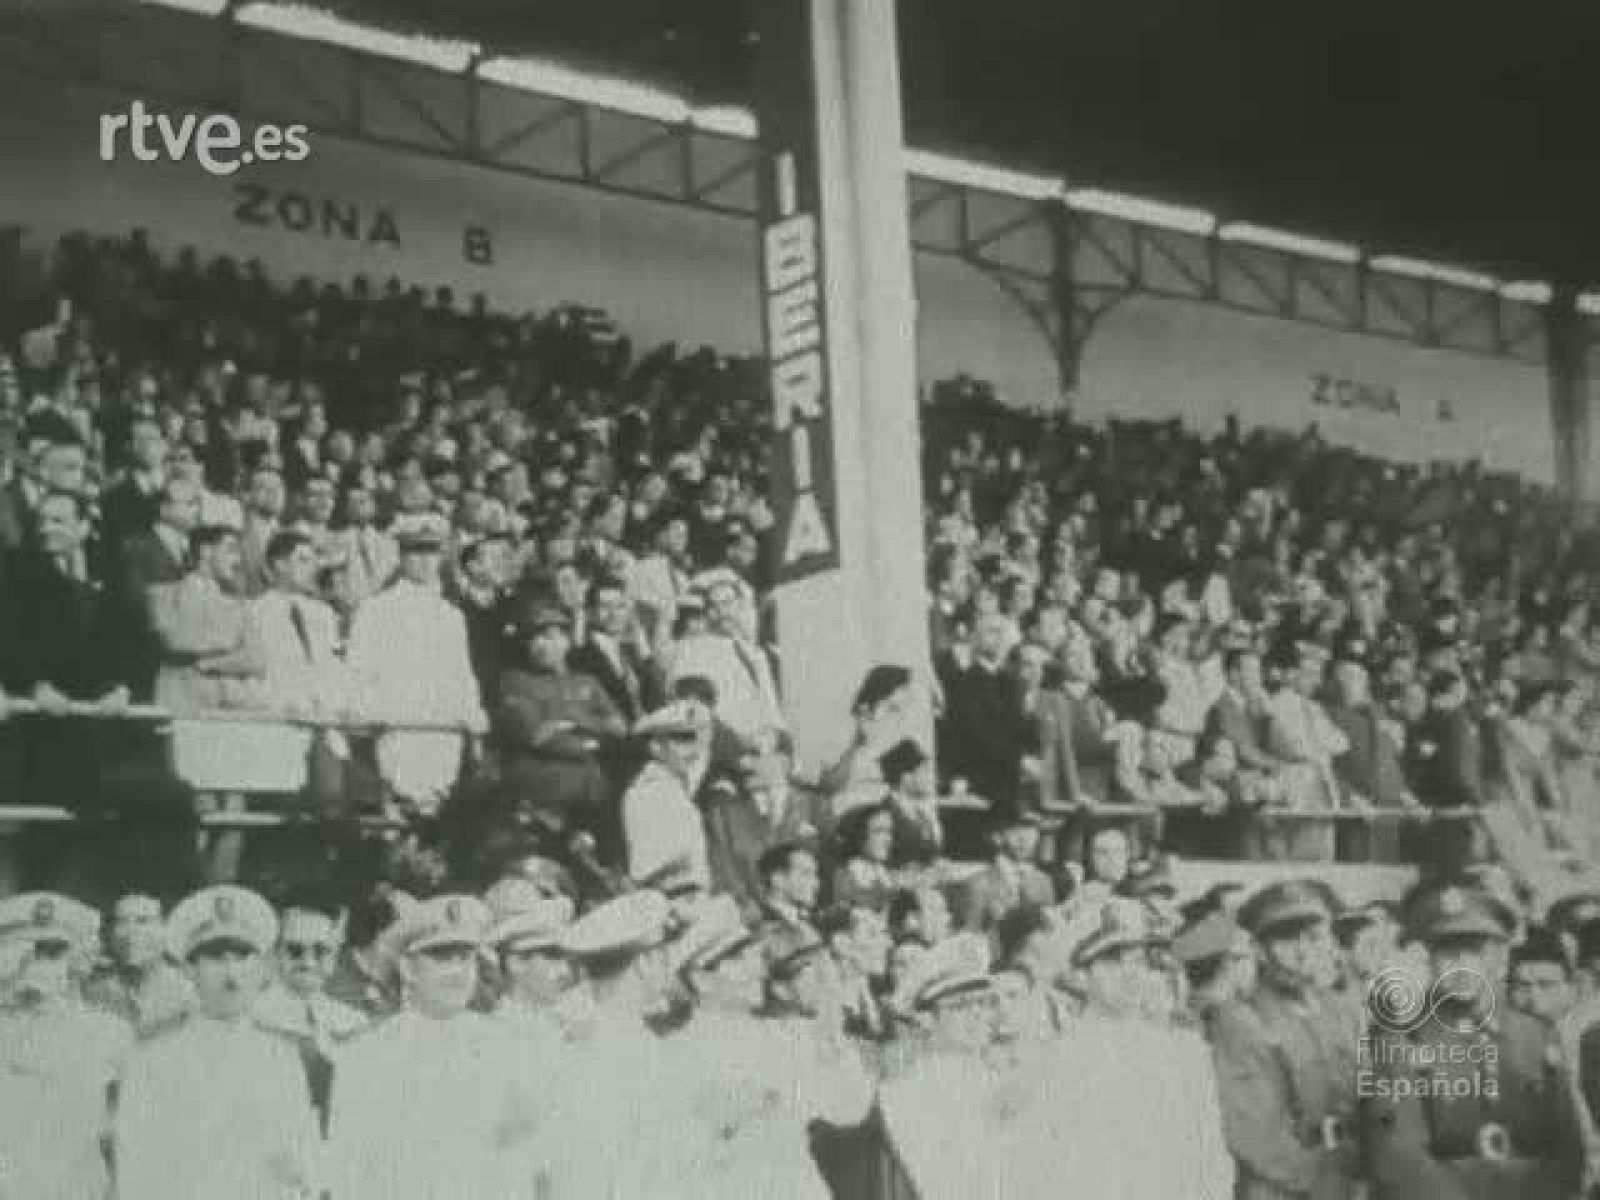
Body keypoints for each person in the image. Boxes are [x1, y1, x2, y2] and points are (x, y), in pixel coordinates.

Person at [1363, 885, 1583, 1200]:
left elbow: (1568, 1151)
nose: (1463, 967)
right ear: (1430, 960)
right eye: (1449, 953)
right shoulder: (1400, 1041)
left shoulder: (1536, 1035)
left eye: (1476, 952)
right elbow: (1399, 1161)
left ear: (1498, 958)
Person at [650, 896, 875, 1199]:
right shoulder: (678, 1053)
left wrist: (832, 1036)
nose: (757, 969)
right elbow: (671, 1161)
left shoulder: (786, 1034)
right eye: (739, 960)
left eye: (754, 956)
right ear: (701, 979)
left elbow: (849, 1110)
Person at [115, 885, 322, 1200]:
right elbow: (136, 1175)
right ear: (189, 969)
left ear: (262, 969)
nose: (231, 972)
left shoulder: (283, 1056)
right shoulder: (153, 1059)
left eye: (242, 957)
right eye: (215, 957)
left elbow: (304, 1168)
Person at [326, 893, 532, 1200]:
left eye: (465, 957)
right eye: (441, 957)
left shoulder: (503, 1045)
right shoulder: (368, 1055)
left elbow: (520, 1158)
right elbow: (348, 1172)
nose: (458, 970)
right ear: (407, 969)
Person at [1212, 880, 1363, 1200]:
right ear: (1259, 950)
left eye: (1313, 937)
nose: (1302, 951)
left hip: (1348, 1179)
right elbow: (1256, 1135)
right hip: (1284, 1187)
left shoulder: (1339, 1009)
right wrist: (1326, 1181)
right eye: (1285, 940)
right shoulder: (1241, 1018)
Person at [346, 515, 488, 814]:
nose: (424, 561)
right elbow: (359, 671)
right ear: (401, 556)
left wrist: (471, 721)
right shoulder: (376, 609)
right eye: (415, 552)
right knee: (399, 805)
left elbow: (461, 675)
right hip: (396, 722)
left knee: (436, 809)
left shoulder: (450, 615)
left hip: (442, 726)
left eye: (431, 552)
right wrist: (372, 716)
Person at [0, 892, 132, 1200]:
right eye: (24, 952)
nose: (36, 965)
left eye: (52, 952)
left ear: (74, 958)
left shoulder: (108, 1032)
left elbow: (128, 1138)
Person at [493, 600, 625, 838]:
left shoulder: (586, 681)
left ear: (567, 641)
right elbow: (537, 737)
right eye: (537, 637)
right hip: (546, 790)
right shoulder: (515, 682)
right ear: (526, 643)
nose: (546, 644)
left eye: (555, 636)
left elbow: (620, 728)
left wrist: (572, 721)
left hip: (595, 787)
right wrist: (594, 735)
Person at [622, 700, 715, 890]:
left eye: (696, 739)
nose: (694, 751)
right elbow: (645, 871)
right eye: (681, 739)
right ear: (655, 747)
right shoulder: (648, 793)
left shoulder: (678, 791)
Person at [82, 892, 194, 1036]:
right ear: (109, 934)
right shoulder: (91, 991)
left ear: (165, 929)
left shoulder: (188, 990)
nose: (131, 932)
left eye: (142, 921)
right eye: (121, 922)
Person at [957, 810, 1056, 938]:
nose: (1024, 838)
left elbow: (1050, 933)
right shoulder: (979, 883)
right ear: (995, 836)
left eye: (1031, 829)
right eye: (1015, 830)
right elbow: (968, 937)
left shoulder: (1043, 881)